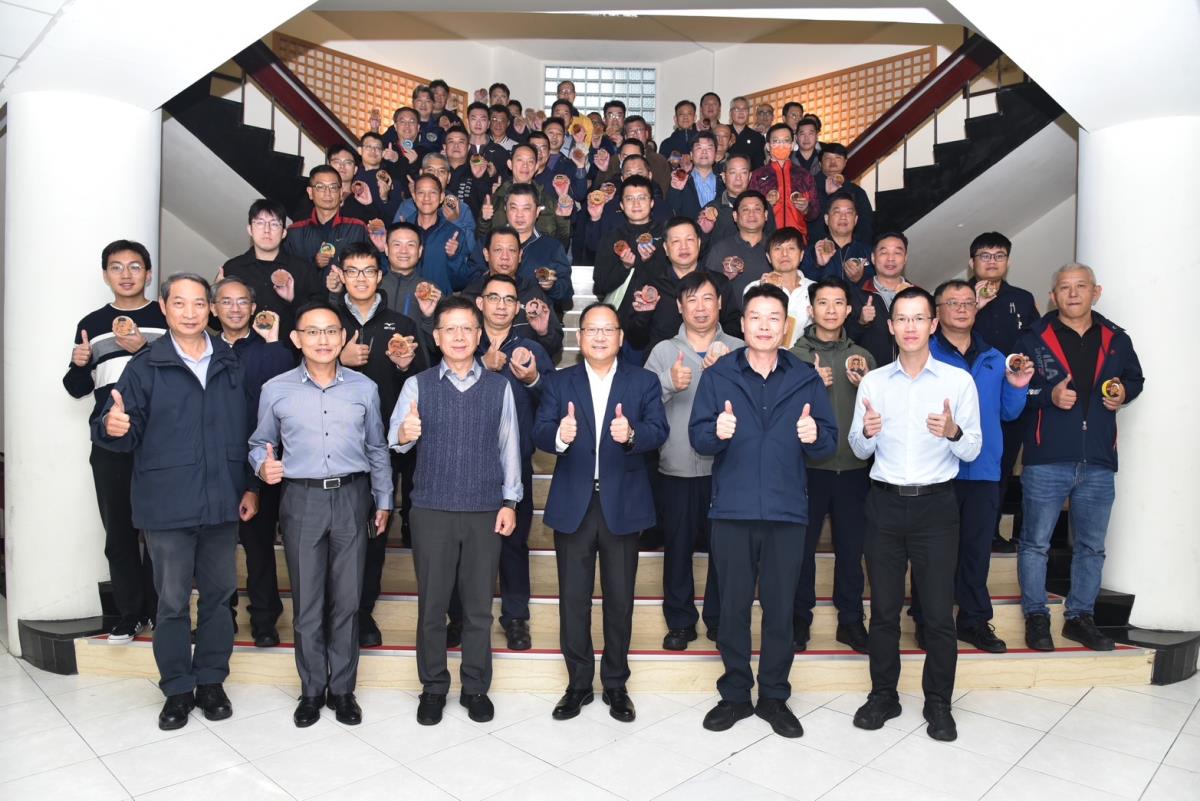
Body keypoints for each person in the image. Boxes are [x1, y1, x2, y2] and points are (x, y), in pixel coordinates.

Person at [92, 272, 251, 731]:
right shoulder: (145, 366)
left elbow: (246, 431)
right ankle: (178, 687)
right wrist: (112, 427)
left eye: (199, 303)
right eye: (179, 303)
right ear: (164, 308)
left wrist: (250, 487)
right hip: (167, 505)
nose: (190, 312)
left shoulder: (230, 362)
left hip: (221, 501)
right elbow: (117, 426)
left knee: (219, 598)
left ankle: (212, 681)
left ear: (211, 309)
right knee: (173, 601)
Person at [688, 284, 837, 737]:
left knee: (780, 608)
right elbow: (698, 438)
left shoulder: (805, 377)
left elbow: (829, 442)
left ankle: (773, 695)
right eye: (756, 317)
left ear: (785, 325)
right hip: (732, 511)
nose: (765, 326)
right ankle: (735, 693)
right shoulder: (719, 375)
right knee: (732, 608)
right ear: (743, 323)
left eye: (774, 317)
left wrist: (815, 436)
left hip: (787, 512)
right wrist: (717, 431)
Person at [847, 286, 982, 742]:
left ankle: (939, 702)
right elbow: (858, 448)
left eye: (918, 318)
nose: (910, 327)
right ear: (890, 326)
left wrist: (953, 431)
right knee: (884, 611)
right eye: (901, 319)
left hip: (936, 507)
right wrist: (867, 433)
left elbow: (973, 448)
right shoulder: (874, 382)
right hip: (884, 504)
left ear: (933, 324)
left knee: (939, 614)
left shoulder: (957, 382)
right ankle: (883, 695)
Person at [249, 301, 392, 728]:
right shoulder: (276, 389)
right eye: (312, 332)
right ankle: (312, 689)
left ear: (343, 337)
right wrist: (261, 466)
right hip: (301, 499)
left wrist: (384, 499)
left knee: (347, 601)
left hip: (352, 497)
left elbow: (377, 447)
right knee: (308, 602)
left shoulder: (364, 388)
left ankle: (343, 690)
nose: (323, 340)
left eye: (331, 331)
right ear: (296, 339)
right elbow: (258, 442)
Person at [390, 296, 523, 726]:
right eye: (450, 328)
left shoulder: (499, 387)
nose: (460, 336)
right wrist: (405, 432)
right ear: (437, 336)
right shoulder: (418, 385)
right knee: (432, 606)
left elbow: (509, 447)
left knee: (479, 607)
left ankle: (475, 687)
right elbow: (394, 441)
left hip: (484, 510)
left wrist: (510, 502)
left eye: (467, 328)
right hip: (431, 510)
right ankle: (433, 687)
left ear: (479, 334)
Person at [533, 303, 668, 723]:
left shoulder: (643, 381)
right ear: (581, 336)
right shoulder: (560, 382)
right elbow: (539, 430)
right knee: (573, 600)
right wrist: (559, 435)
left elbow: (659, 430)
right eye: (592, 329)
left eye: (608, 329)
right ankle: (577, 684)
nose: (599, 336)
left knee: (619, 599)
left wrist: (631, 434)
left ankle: (615, 683)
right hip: (574, 504)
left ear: (620, 337)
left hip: (622, 504)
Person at [1015, 264, 1144, 652]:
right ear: (1052, 296)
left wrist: (1124, 392)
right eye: (1064, 288)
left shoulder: (1117, 339)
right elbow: (1015, 390)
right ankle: (1036, 617)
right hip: (1046, 458)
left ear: (1095, 292)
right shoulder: (1031, 338)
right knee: (1035, 544)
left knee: (1091, 546)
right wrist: (1048, 396)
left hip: (1098, 461)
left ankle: (1080, 618)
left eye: (1081, 286)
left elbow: (1135, 379)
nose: (1072, 294)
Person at [904, 280, 1031, 654]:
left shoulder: (995, 358)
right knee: (932, 553)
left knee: (976, 552)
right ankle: (927, 620)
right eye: (952, 302)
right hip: (936, 470)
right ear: (936, 313)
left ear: (977, 310)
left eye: (968, 303)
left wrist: (1017, 385)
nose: (961, 309)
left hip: (983, 470)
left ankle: (973, 621)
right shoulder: (923, 355)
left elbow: (1008, 412)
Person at [64, 240, 167, 642]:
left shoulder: (166, 315)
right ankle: (129, 613)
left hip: (161, 438)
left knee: (161, 530)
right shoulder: (92, 323)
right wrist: (78, 366)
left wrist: (144, 349)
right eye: (117, 267)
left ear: (149, 273)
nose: (126, 274)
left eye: (135, 266)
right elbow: (77, 388)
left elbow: (184, 370)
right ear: (105, 275)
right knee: (119, 531)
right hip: (110, 440)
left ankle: (160, 610)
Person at [330, 243, 428, 647]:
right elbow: (297, 368)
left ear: (379, 274)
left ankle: (362, 611)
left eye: (368, 271)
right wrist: (338, 357)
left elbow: (423, 379)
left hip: (385, 445)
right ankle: (334, 610)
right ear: (341, 275)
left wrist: (406, 366)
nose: (361, 279)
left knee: (375, 530)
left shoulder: (401, 323)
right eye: (352, 271)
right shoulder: (326, 320)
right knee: (336, 533)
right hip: (333, 443)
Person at [643, 272, 742, 648]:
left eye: (708, 299)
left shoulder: (739, 348)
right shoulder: (663, 352)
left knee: (725, 551)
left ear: (720, 304)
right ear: (680, 307)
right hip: (677, 468)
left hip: (728, 470)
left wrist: (728, 373)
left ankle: (719, 619)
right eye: (692, 300)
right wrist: (669, 382)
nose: (700, 308)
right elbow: (642, 407)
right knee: (677, 549)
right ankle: (680, 621)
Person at [788, 277, 875, 654]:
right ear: (811, 309)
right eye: (823, 303)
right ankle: (798, 619)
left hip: (854, 468)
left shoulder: (864, 356)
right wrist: (808, 385)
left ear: (849, 309)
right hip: (806, 468)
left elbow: (879, 411)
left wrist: (866, 385)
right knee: (800, 550)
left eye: (838, 303)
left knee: (851, 550)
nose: (831, 310)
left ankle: (851, 621)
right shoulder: (793, 355)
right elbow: (777, 412)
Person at [210, 277, 296, 647]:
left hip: (259, 461)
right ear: (213, 308)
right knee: (215, 549)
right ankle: (220, 618)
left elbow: (284, 393)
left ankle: (264, 620)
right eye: (226, 301)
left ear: (254, 307)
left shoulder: (269, 350)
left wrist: (273, 340)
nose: (234, 308)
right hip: (213, 464)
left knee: (258, 546)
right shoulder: (203, 349)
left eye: (242, 301)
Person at [474, 274, 556, 649]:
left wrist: (533, 378)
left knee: (514, 543)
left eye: (509, 299)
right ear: (480, 303)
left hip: (514, 464)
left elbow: (553, 401)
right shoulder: (464, 341)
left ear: (517, 306)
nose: (502, 305)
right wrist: (481, 368)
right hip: (467, 462)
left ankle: (516, 617)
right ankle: (463, 617)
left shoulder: (530, 348)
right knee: (467, 546)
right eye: (494, 297)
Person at [966, 232, 1040, 552]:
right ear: (972, 262)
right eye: (985, 255)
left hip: (1011, 396)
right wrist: (973, 304)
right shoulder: (959, 295)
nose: (992, 261)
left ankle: (991, 531)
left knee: (1002, 465)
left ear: (1008, 262)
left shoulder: (1022, 299)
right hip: (969, 396)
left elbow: (1035, 343)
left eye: (999, 256)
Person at [220, 199, 325, 343]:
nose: (267, 230)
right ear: (250, 229)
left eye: (274, 224)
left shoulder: (303, 269)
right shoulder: (232, 268)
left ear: (284, 232)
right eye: (260, 223)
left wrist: (293, 300)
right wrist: (215, 296)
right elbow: (214, 323)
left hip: (290, 352)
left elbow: (320, 318)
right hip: (240, 352)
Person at [620, 216, 703, 355]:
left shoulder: (717, 283)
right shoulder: (651, 286)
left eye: (689, 239)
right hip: (661, 362)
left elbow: (732, 327)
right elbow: (635, 341)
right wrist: (643, 315)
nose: (683, 247)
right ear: (665, 248)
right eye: (676, 241)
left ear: (699, 243)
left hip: (709, 361)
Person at [284, 164, 370, 281]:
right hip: (306, 293)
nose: (327, 193)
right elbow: (285, 271)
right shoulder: (294, 232)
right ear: (310, 192)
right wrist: (314, 262)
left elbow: (372, 266)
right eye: (320, 187)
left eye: (333, 187)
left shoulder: (357, 228)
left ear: (340, 193)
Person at [592, 176, 667, 305]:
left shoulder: (666, 234)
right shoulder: (611, 237)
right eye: (629, 199)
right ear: (621, 205)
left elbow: (673, 279)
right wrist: (624, 267)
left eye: (642, 198)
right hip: (621, 311)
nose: (636, 204)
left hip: (660, 309)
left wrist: (648, 262)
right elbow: (600, 286)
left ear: (652, 203)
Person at [738, 226, 815, 348]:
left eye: (791, 248)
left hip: (803, 356)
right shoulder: (755, 288)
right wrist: (764, 291)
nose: (784, 254)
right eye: (778, 248)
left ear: (801, 255)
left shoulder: (814, 289)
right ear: (768, 257)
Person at [849, 231, 914, 367]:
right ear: (873, 258)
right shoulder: (857, 294)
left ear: (905, 258)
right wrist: (861, 322)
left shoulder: (918, 295)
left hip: (912, 372)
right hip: (872, 373)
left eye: (897, 253)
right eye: (884, 252)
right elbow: (844, 341)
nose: (890, 258)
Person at [750, 124, 819, 244]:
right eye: (776, 141)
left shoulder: (804, 175)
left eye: (786, 141)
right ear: (768, 146)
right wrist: (765, 204)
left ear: (792, 145)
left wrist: (806, 208)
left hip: (797, 240)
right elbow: (750, 210)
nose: (781, 145)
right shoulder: (758, 175)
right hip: (767, 240)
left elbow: (815, 212)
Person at [801, 192, 874, 285]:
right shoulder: (811, 252)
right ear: (826, 219)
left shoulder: (869, 253)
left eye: (849, 212)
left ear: (855, 220)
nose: (843, 217)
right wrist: (818, 265)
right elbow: (804, 287)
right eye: (837, 212)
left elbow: (879, 285)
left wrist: (860, 279)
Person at [811, 143, 873, 244]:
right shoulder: (808, 186)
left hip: (850, 247)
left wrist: (858, 248)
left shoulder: (857, 191)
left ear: (845, 162)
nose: (833, 162)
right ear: (820, 163)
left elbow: (866, 225)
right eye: (828, 158)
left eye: (838, 158)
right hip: (816, 245)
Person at [668, 131, 723, 219]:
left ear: (715, 154)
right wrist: (675, 190)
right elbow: (671, 213)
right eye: (699, 148)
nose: (704, 152)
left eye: (709, 148)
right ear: (691, 155)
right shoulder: (680, 180)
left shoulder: (724, 182)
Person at [727, 96, 766, 170]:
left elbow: (759, 166)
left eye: (744, 109)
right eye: (737, 109)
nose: (741, 112)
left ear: (748, 112)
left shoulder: (757, 137)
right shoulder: (723, 133)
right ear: (731, 112)